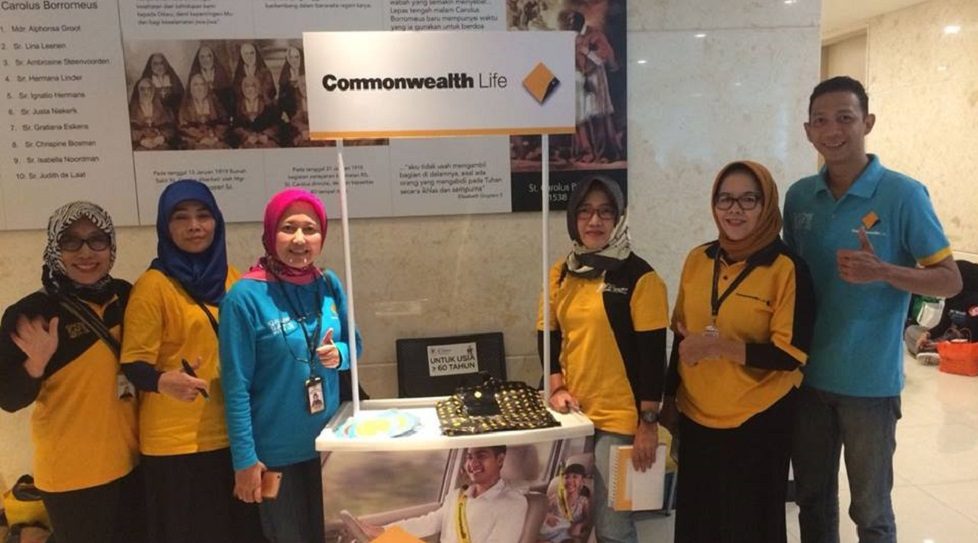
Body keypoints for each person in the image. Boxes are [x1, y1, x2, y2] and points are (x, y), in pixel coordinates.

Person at [783, 76, 962, 543]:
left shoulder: (903, 194)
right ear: (807, 130)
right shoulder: (799, 197)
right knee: (812, 500)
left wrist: (884, 271)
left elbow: (950, 279)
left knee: (871, 511)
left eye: (845, 118)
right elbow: (787, 280)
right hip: (806, 378)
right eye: (821, 120)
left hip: (870, 386)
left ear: (868, 122)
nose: (832, 130)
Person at [660, 161, 815, 543]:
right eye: (725, 199)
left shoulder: (787, 268)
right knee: (698, 523)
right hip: (697, 415)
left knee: (750, 525)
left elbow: (790, 354)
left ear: (766, 205)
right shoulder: (698, 259)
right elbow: (682, 336)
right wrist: (668, 399)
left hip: (759, 419)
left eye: (748, 200)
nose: (735, 210)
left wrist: (717, 346)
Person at [120, 179, 262, 543]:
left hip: (234, 437)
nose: (194, 226)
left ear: (217, 221)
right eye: (180, 217)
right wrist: (162, 381)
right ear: (165, 227)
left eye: (203, 215)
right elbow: (133, 363)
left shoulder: (231, 277)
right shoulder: (153, 286)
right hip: (178, 447)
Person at [220, 188, 361, 543]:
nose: (299, 239)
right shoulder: (243, 297)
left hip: (331, 446)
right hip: (276, 457)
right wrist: (244, 460)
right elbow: (235, 387)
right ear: (270, 233)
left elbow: (356, 345)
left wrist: (340, 354)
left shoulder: (328, 284)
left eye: (310, 229)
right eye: (288, 228)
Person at [0, 202, 144, 543]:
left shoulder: (126, 296)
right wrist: (35, 364)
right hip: (72, 475)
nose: (86, 252)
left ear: (111, 245)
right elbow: (8, 398)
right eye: (71, 241)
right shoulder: (32, 311)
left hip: (132, 462)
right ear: (55, 247)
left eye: (97, 239)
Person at [538, 175, 668, 543]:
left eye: (605, 212)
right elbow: (547, 334)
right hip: (571, 415)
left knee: (612, 527)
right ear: (573, 218)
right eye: (585, 211)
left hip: (620, 421)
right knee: (567, 525)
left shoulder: (640, 277)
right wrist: (556, 387)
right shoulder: (561, 273)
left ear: (618, 218)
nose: (594, 221)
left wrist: (648, 423)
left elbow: (653, 356)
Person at [359, 446, 528, 542]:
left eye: (481, 456)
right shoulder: (457, 496)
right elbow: (429, 522)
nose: (473, 463)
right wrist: (383, 531)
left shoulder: (513, 503)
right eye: (469, 457)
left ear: (500, 460)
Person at [538, 463, 591, 543]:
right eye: (567, 477)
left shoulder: (583, 502)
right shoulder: (556, 498)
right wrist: (548, 516)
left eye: (575, 477)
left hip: (569, 534)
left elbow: (589, 520)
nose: (570, 480)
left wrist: (580, 525)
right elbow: (541, 511)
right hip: (552, 532)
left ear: (582, 482)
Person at [177, 73, 231, 150]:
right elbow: (184, 127)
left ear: (206, 87)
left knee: (221, 147)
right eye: (196, 85)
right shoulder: (185, 106)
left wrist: (216, 136)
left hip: (215, 138)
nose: (199, 88)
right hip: (195, 140)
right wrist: (201, 138)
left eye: (202, 84)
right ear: (191, 88)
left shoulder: (214, 103)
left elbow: (224, 122)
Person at [232, 75, 282, 148]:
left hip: (265, 140)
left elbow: (276, 125)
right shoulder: (238, 106)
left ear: (257, 88)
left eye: (253, 86)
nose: (250, 90)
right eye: (247, 87)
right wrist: (247, 136)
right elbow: (235, 127)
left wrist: (266, 135)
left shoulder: (268, 105)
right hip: (246, 141)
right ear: (243, 89)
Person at [129, 77, 175, 151]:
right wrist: (141, 140)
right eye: (142, 89)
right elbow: (128, 131)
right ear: (137, 91)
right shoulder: (130, 110)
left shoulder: (162, 109)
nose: (146, 92)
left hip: (160, 144)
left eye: (149, 89)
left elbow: (170, 129)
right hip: (139, 145)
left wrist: (162, 137)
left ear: (153, 91)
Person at [188, 44, 234, 116]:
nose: (206, 60)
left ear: (213, 58)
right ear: (198, 59)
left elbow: (228, 97)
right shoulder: (194, 75)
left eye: (209, 56)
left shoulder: (221, 73)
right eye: (202, 57)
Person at [277, 45, 305, 121]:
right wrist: (284, 112)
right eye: (291, 57)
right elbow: (281, 98)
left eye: (296, 57)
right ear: (288, 59)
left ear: (301, 58)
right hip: (290, 113)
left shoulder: (307, 72)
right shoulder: (285, 75)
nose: (294, 60)